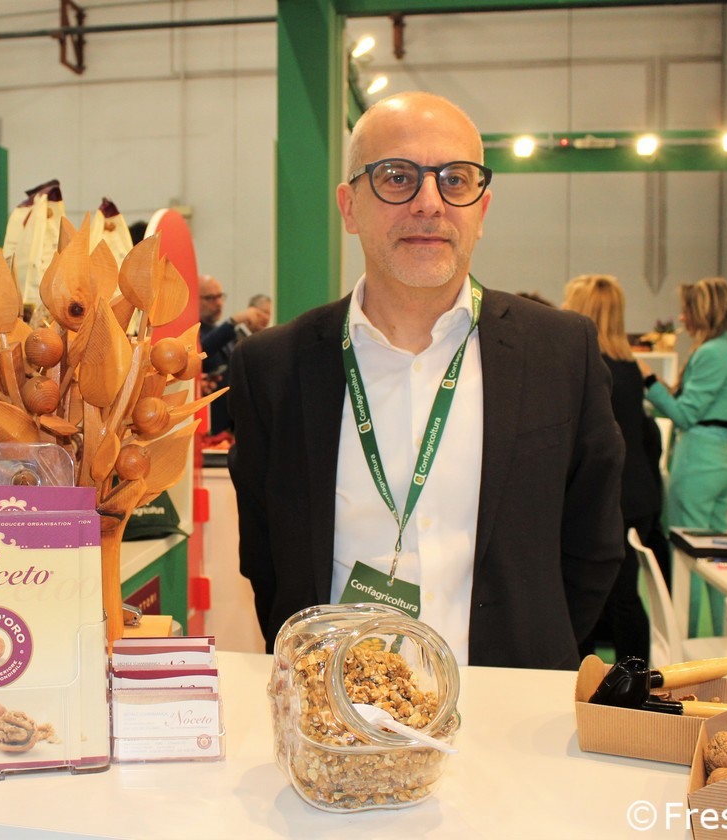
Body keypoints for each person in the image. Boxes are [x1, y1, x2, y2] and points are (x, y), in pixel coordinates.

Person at [227, 91, 625, 669]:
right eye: (397, 177)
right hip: (335, 708)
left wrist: (530, 654)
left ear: (482, 210)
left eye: (455, 180)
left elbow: (594, 548)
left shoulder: (561, 353)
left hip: (511, 699)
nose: (429, 203)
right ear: (348, 207)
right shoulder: (273, 367)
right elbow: (268, 560)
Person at [640, 276, 727, 638]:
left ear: (701, 311)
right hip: (721, 457)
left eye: (686, 310)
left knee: (686, 554)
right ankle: (722, 636)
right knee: (719, 557)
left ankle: (684, 638)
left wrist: (648, 382)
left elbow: (685, 415)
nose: (681, 318)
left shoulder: (710, 353)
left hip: (697, 459)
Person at [563, 274, 663, 662]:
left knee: (598, 591)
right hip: (638, 494)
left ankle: (596, 671)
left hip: (610, 495)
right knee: (624, 594)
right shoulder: (630, 368)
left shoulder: (589, 368)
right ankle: (633, 671)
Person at [199, 275, 269, 433]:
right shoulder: (195, 332)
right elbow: (200, 351)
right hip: (210, 426)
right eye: (210, 298)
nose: (218, 303)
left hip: (229, 426)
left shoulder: (221, 333)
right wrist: (232, 322)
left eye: (220, 297)